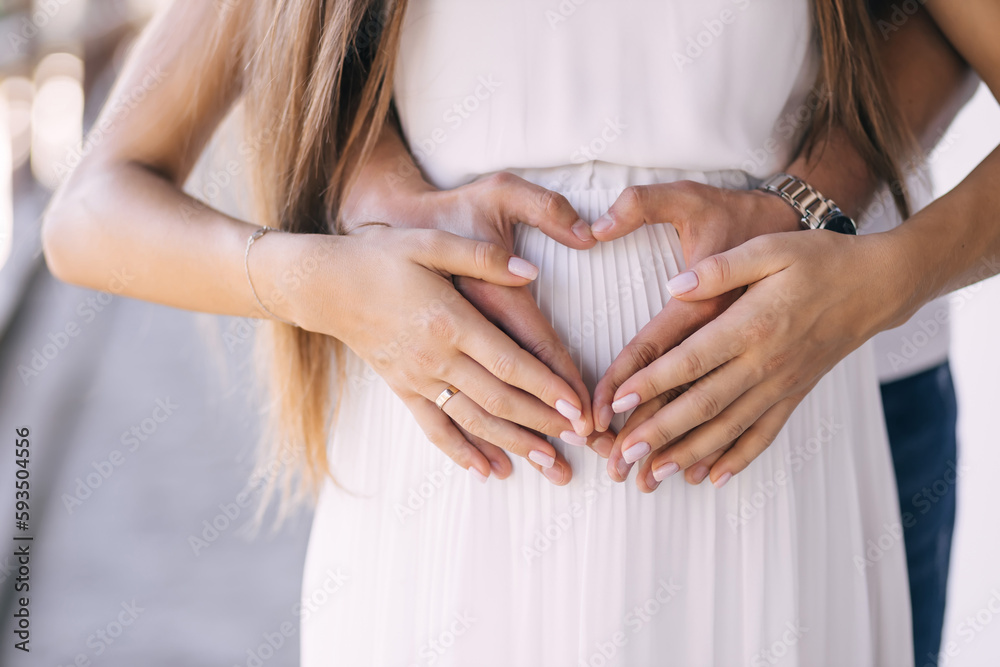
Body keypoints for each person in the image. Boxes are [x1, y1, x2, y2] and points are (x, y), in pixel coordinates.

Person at [35, 0, 978, 665]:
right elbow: (91, 210)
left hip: (771, 472)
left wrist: (883, 278)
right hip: (449, 507)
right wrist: (330, 283)